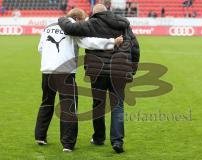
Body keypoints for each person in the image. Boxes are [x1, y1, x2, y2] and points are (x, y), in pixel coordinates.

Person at [35, 8, 123, 152]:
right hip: (65, 72)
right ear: (77, 19)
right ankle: (68, 144)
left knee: (46, 102)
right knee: (68, 107)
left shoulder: (49, 27)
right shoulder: (73, 29)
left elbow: (40, 48)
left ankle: (40, 135)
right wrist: (113, 42)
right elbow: (89, 43)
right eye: (83, 22)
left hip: (47, 70)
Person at [58, 4, 140, 153]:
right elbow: (134, 47)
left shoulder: (91, 23)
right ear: (107, 11)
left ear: (94, 13)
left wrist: (63, 18)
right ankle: (117, 141)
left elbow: (70, 28)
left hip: (97, 70)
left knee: (98, 105)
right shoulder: (123, 24)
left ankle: (99, 137)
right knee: (118, 105)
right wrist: (132, 68)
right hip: (120, 70)